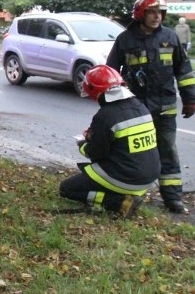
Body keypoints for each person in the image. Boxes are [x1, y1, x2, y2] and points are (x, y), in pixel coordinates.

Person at [106, 0, 194, 213]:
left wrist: (190, 99)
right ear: (140, 14)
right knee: (134, 153)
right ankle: (131, 194)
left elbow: (184, 71)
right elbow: (111, 72)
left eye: (160, 13)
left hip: (165, 109)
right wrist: (112, 102)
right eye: (152, 12)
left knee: (168, 152)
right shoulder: (125, 40)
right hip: (136, 110)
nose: (157, 17)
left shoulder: (170, 37)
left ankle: (173, 199)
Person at [59, 65, 160, 217]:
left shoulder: (105, 115)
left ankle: (119, 202)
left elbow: (95, 153)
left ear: (95, 91)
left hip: (126, 179)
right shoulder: (141, 107)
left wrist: (83, 143)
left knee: (67, 188)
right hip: (148, 179)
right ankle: (125, 196)